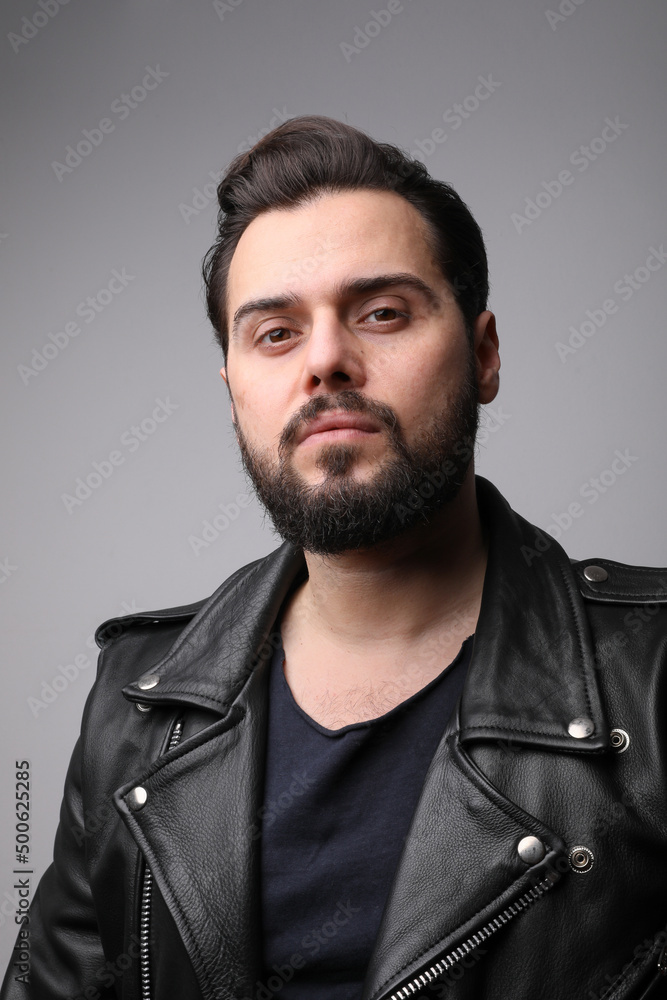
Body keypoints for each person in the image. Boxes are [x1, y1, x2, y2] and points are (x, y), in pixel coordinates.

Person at [3, 115, 667, 1000]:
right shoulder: (137, 704)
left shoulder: (649, 676)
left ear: (482, 355)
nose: (324, 361)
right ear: (234, 392)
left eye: (381, 313)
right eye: (275, 333)